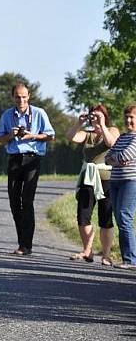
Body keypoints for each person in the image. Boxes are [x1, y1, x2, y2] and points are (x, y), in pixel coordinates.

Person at [0, 82, 55, 256]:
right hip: (14, 159)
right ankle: (22, 240)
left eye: (24, 96)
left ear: (29, 96)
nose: (21, 100)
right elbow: (1, 139)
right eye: (17, 97)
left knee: (27, 201)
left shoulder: (39, 113)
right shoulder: (7, 115)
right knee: (14, 202)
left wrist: (32, 135)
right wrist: (11, 135)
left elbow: (51, 135)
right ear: (13, 97)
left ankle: (26, 245)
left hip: (32, 159)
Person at [66, 104, 119, 265]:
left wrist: (102, 125)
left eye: (98, 115)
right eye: (93, 116)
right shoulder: (86, 134)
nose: (95, 119)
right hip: (87, 179)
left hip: (106, 179)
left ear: (105, 116)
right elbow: (70, 136)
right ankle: (87, 250)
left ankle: (106, 254)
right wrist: (79, 123)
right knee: (83, 215)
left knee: (105, 217)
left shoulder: (112, 130)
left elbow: (111, 143)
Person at [104, 104, 136, 271]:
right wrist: (116, 159)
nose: (128, 120)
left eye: (132, 117)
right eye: (126, 117)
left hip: (130, 182)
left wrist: (115, 159)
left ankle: (131, 260)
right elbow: (107, 158)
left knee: (125, 217)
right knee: (119, 218)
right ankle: (127, 258)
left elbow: (126, 155)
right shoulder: (122, 137)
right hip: (115, 181)